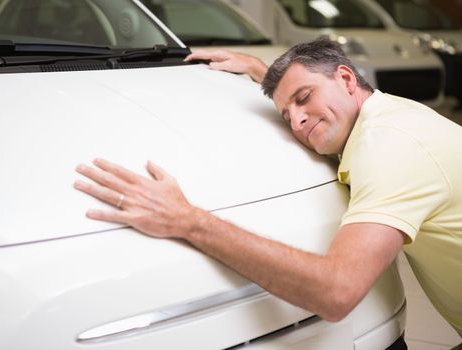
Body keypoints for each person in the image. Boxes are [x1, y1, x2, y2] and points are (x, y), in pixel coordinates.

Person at [73, 39, 462, 335]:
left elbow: (336, 292)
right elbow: (320, 111)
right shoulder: (386, 115)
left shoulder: (390, 147)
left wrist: (188, 220)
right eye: (286, 113)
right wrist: (266, 73)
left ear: (345, 78)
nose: (296, 124)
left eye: (304, 98)